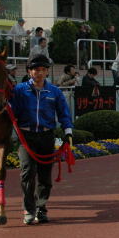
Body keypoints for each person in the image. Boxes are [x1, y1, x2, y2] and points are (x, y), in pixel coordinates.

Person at [10, 54, 74, 225]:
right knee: (27, 172)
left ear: (47, 72)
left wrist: (68, 132)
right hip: (26, 137)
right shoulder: (19, 90)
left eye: (43, 70)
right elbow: (10, 111)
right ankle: (29, 209)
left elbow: (64, 113)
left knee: (45, 176)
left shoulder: (54, 92)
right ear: (29, 72)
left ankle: (41, 207)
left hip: (46, 136)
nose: (39, 73)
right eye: (36, 70)